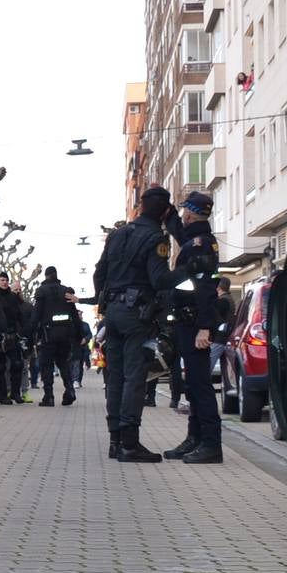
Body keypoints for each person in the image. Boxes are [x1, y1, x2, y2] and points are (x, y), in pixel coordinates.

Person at [96, 185, 174, 462]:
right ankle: (130, 442)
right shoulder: (156, 237)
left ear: (139, 206)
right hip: (136, 314)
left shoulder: (116, 235)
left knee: (114, 377)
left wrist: (103, 303)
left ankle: (115, 441)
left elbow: (99, 272)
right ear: (165, 211)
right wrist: (188, 271)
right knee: (134, 377)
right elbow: (160, 280)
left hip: (113, 312)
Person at [166, 191, 223, 461]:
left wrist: (204, 327)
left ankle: (211, 444)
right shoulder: (195, 240)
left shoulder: (199, 244)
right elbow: (179, 232)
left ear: (189, 213)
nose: (181, 217)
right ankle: (195, 438)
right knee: (193, 384)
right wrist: (164, 209)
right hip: (188, 321)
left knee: (200, 385)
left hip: (194, 323)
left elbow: (205, 289)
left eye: (182, 212)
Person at [30, 265, 79, 406]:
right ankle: (70, 390)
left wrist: (30, 334)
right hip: (65, 334)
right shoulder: (66, 291)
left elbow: (36, 316)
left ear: (45, 276)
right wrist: (78, 334)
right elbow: (74, 315)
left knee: (47, 365)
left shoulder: (41, 292)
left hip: (48, 334)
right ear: (56, 275)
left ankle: (49, 396)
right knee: (64, 363)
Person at [0, 270, 27, 405]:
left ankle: (15, 393)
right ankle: (2, 394)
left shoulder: (13, 297)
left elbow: (19, 315)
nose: (5, 282)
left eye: (6, 280)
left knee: (17, 364)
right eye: (2, 280)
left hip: (12, 335)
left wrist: (23, 332)